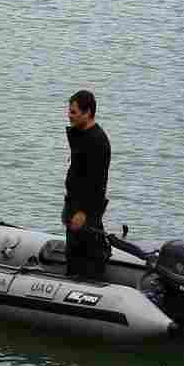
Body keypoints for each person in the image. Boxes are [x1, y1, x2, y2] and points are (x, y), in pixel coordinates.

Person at [62, 89, 111, 279]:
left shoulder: (97, 141)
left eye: (73, 112)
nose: (69, 115)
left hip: (86, 211)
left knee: (87, 254)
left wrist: (83, 212)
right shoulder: (81, 135)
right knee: (73, 254)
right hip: (74, 204)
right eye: (69, 111)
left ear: (88, 112)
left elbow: (98, 182)